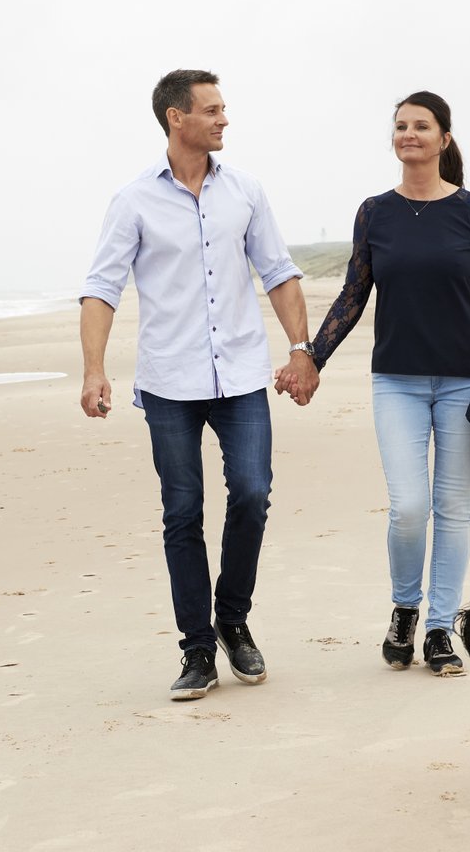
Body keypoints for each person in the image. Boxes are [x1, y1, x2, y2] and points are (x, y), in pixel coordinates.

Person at [80, 69, 319, 701]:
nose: (223, 120)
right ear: (175, 118)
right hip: (168, 382)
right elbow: (102, 287)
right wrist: (94, 369)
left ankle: (233, 619)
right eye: (211, 110)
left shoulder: (245, 190)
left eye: (223, 109)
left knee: (251, 493)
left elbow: (278, 270)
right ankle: (197, 649)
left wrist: (301, 349)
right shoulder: (133, 201)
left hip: (240, 374)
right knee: (182, 513)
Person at [277, 91, 470, 676]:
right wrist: (311, 356)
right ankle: (404, 609)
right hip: (397, 381)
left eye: (421, 126)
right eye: (400, 126)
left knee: (454, 508)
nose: (408, 134)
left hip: (467, 380)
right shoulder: (375, 212)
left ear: (444, 138)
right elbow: (354, 295)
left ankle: (441, 629)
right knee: (410, 508)